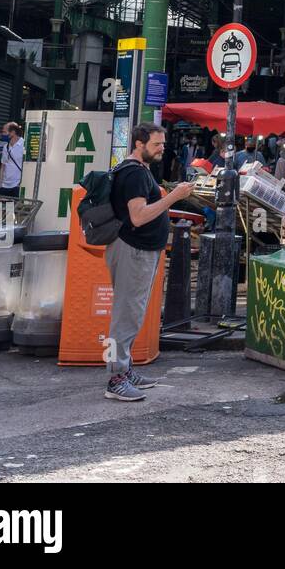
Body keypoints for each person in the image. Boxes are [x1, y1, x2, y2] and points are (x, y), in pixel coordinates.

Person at [105, 123, 194, 401]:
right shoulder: (133, 174)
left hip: (139, 249)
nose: (162, 149)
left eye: (163, 144)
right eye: (157, 144)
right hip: (133, 250)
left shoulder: (139, 171)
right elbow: (139, 216)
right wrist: (173, 196)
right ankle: (115, 378)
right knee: (125, 315)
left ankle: (126, 369)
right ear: (139, 144)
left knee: (132, 313)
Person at [0, 122, 24, 199]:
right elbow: (3, 165)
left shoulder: (24, 145)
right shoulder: (6, 147)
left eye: (5, 132)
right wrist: (0, 184)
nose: (3, 134)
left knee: (15, 209)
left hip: (17, 185)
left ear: (13, 132)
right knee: (5, 209)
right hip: (5, 185)